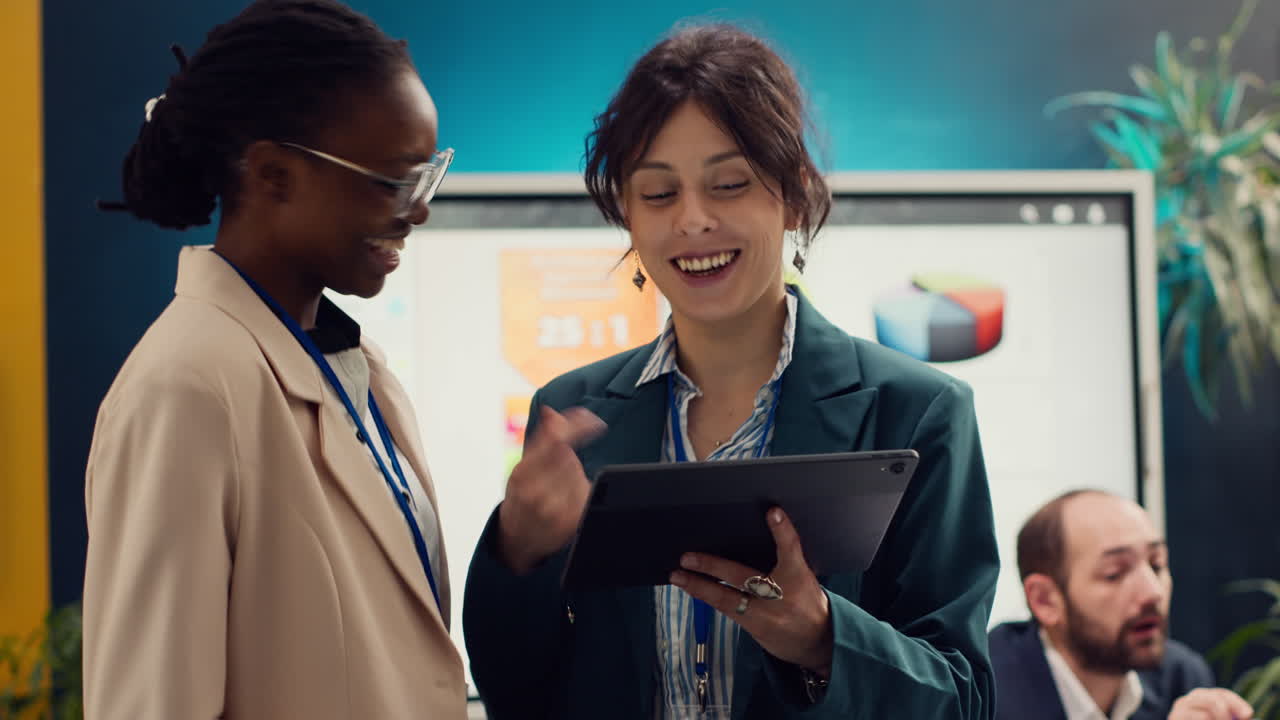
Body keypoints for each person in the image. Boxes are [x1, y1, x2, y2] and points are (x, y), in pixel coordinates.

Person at [463, 23, 999, 719]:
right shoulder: (573, 413)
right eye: (658, 195)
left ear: (795, 193)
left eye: (729, 184)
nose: (692, 221)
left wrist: (824, 640)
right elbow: (519, 692)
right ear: (625, 211)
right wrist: (520, 554)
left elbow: (964, 698)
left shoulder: (917, 412)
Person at [81, 2, 465, 718]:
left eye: (426, 176)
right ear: (272, 174)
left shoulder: (357, 368)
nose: (418, 211)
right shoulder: (186, 385)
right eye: (392, 182)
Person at [990, 490, 1254, 720]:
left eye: (1156, 565)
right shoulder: (982, 697)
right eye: (1114, 574)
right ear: (1045, 600)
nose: (1153, 593)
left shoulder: (1182, 677)